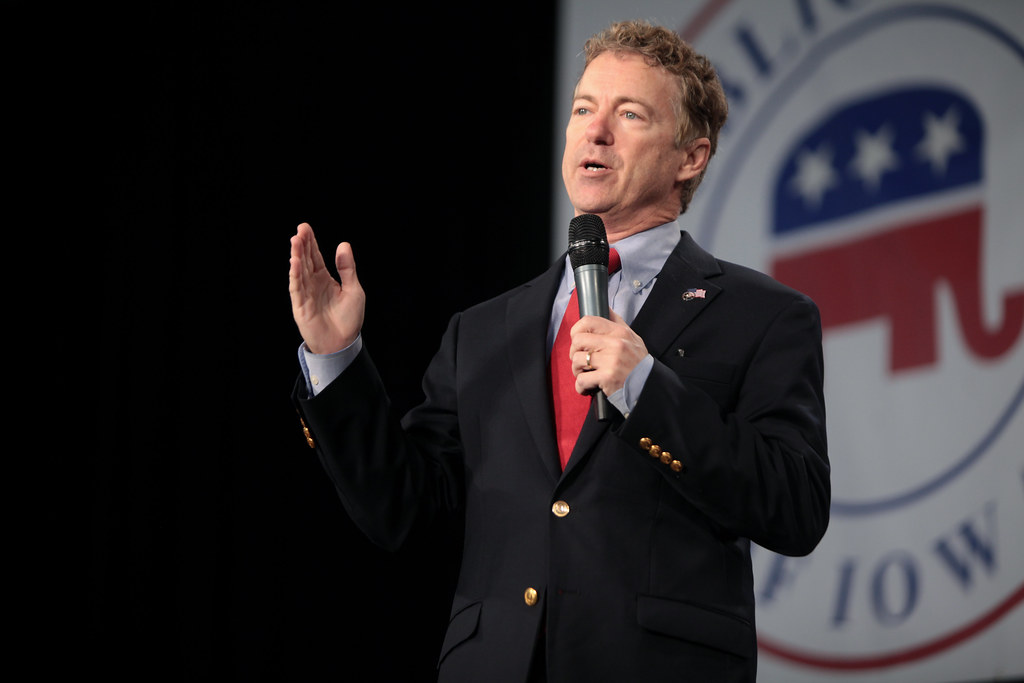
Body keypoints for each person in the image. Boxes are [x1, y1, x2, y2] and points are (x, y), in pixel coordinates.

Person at [289, 19, 829, 683]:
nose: (595, 131)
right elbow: (404, 511)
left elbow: (797, 506)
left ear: (691, 156)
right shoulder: (483, 330)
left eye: (628, 113)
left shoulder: (762, 315)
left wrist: (646, 389)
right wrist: (336, 360)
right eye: (582, 109)